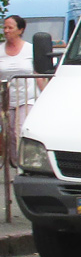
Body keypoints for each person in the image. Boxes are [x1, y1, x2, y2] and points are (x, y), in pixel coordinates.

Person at [1, 15, 43, 160]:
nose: (6, 31)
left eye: (10, 27)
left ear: (20, 30)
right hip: (6, 100)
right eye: (4, 27)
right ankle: (14, 163)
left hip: (27, 98)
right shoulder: (0, 50)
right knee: (9, 133)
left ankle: (25, 163)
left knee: (20, 131)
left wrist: (46, 96)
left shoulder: (30, 50)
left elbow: (39, 74)